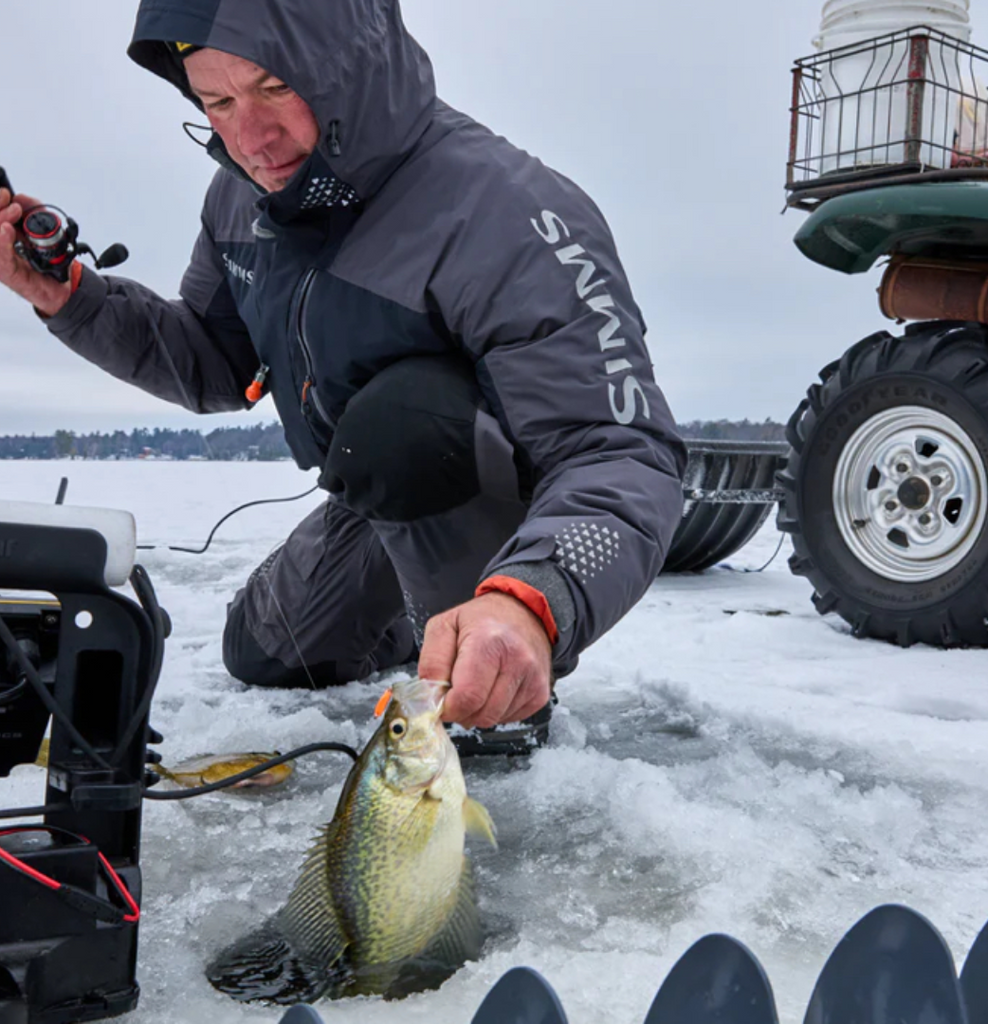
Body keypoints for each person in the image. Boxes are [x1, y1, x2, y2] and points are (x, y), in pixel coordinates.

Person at [0, 0, 686, 742]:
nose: (250, 138)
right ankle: (425, 624)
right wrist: (68, 297)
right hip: (376, 495)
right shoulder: (240, 196)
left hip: (520, 508)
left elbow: (622, 452)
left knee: (405, 422)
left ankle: (492, 688)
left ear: (346, 66)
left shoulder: (502, 210)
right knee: (261, 653)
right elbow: (212, 361)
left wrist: (530, 599)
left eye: (271, 87)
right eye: (218, 102)